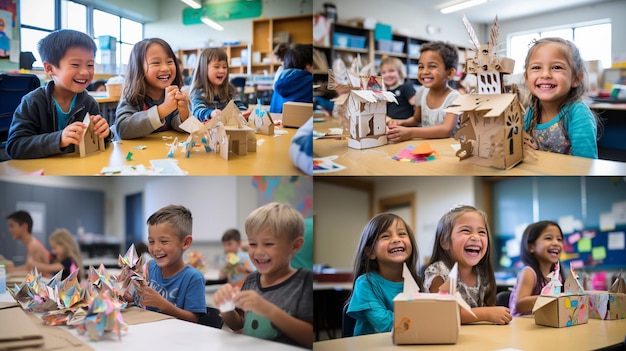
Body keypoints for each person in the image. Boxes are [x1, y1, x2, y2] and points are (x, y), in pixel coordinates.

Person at [213, 202, 313, 348]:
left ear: (295, 245)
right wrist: (226, 308)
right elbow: (238, 324)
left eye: (268, 244)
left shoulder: (304, 282)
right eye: (252, 244)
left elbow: (310, 338)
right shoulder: (251, 280)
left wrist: (269, 311)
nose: (258, 252)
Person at [6, 29, 111, 159]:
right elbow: (15, 146)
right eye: (75, 64)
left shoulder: (89, 102)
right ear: (50, 68)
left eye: (90, 64)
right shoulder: (33, 101)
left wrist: (105, 134)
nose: (85, 72)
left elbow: (97, 143)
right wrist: (59, 139)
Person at [423, 205, 512, 325]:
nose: (476, 237)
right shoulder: (439, 272)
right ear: (445, 242)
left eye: (481, 232)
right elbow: (443, 313)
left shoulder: (482, 274)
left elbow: (490, 306)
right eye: (466, 230)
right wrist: (486, 313)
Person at [523, 37, 599, 159]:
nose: (545, 74)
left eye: (556, 67)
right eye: (536, 67)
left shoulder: (578, 113)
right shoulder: (531, 112)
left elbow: (585, 164)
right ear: (526, 78)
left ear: (576, 79)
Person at [346, 213, 420, 336]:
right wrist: (423, 323)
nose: (396, 239)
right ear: (370, 252)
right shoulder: (365, 283)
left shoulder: (419, 281)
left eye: (402, 234)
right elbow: (384, 323)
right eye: (385, 236)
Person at [134, 205, 206, 323]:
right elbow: (139, 300)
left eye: (164, 241)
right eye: (151, 241)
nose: (156, 248)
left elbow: (193, 319)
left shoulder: (193, 278)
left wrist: (163, 304)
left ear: (185, 243)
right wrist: (127, 297)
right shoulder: (149, 267)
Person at [114, 38, 190, 140]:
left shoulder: (172, 95)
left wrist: (183, 112)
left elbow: (179, 127)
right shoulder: (132, 97)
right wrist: (163, 109)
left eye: (169, 62)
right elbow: (123, 129)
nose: (165, 68)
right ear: (139, 69)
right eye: (156, 63)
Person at [386, 41, 461, 142]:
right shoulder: (421, 92)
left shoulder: (455, 98)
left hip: (449, 149)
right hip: (428, 147)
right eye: (421, 67)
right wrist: (401, 123)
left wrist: (411, 133)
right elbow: (416, 120)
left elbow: (446, 129)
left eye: (432, 66)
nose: (424, 72)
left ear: (450, 73)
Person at [508, 221, 564, 316]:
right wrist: (550, 298)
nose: (556, 243)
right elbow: (519, 304)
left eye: (559, 239)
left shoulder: (557, 275)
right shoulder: (529, 273)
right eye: (548, 238)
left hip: (543, 323)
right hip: (522, 325)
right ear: (531, 247)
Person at [189, 48, 250, 122]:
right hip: (206, 131)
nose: (222, 70)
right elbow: (197, 111)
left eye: (224, 67)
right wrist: (211, 113)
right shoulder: (199, 91)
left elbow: (238, 105)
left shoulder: (230, 90)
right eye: (216, 66)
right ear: (204, 69)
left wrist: (243, 112)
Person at [269, 44, 314, 114]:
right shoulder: (309, 82)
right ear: (308, 65)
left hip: (276, 124)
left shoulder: (279, 81)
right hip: (300, 124)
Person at [380, 57, 416, 121]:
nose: (387, 75)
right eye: (383, 72)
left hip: (405, 125)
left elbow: (416, 103)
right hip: (389, 124)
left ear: (400, 72)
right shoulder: (384, 92)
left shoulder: (406, 87)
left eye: (391, 71)